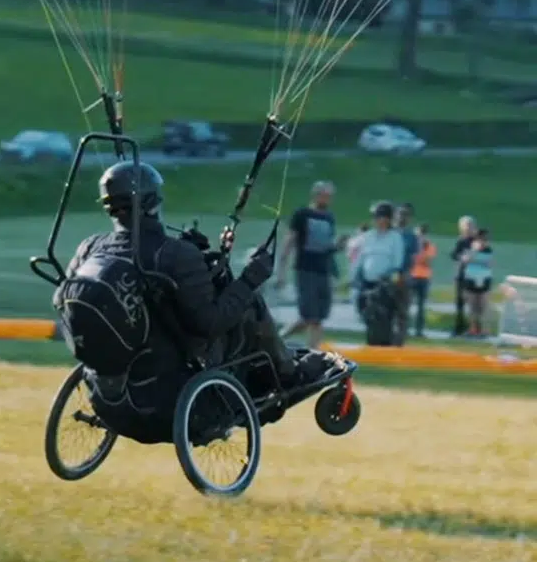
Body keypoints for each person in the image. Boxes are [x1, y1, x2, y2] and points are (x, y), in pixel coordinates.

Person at [53, 161, 335, 441]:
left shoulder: (89, 247)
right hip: (172, 402)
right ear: (153, 201)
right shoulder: (176, 255)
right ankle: (288, 375)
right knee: (250, 303)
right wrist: (250, 279)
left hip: (107, 402)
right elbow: (209, 323)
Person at [276, 180, 348, 349]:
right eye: (324, 195)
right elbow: (289, 242)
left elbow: (326, 247)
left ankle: (283, 340)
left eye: (329, 196)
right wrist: (281, 272)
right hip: (306, 270)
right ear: (316, 195)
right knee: (311, 317)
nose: (327, 199)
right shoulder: (302, 214)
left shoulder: (329, 218)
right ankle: (312, 351)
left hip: (324, 271)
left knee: (316, 317)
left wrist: (338, 247)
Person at [353, 201, 405, 345]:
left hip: (384, 283)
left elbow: (397, 262)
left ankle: (384, 343)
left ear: (388, 219)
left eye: (381, 217)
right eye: (376, 217)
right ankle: (371, 340)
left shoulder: (395, 237)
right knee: (367, 313)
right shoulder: (368, 236)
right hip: (366, 282)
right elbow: (361, 258)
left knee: (384, 315)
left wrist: (390, 278)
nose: (378, 220)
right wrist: (356, 276)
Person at [393, 202, 421, 346]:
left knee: (402, 311)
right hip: (388, 276)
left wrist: (406, 273)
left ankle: (399, 342)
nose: (402, 217)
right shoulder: (389, 233)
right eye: (400, 214)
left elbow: (413, 257)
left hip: (404, 275)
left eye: (405, 215)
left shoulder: (411, 237)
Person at [461, 228, 494, 337]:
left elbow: (489, 263)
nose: (483, 241)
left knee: (483, 306)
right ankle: (473, 329)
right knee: (472, 306)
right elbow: (465, 260)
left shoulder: (488, 250)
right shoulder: (470, 248)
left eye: (485, 239)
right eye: (481, 239)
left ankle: (485, 330)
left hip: (484, 279)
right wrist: (474, 251)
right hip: (471, 278)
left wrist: (478, 258)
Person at [450, 215, 477, 336]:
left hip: (473, 276)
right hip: (461, 275)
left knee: (473, 303)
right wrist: (462, 258)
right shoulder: (461, 241)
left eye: (469, 226)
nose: (467, 229)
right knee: (459, 303)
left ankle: (474, 328)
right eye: (465, 226)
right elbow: (453, 254)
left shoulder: (477, 242)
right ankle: (459, 327)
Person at [409, 223, 437, 337]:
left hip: (424, 277)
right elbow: (410, 259)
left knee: (421, 305)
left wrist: (420, 254)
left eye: (423, 233)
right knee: (407, 304)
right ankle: (404, 328)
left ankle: (419, 330)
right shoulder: (411, 245)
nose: (421, 236)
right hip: (412, 275)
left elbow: (427, 261)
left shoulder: (429, 246)